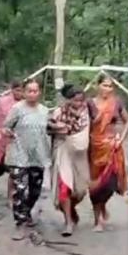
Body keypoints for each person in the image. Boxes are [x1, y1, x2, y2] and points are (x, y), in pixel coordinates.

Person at [3, 79, 51, 239]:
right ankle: (20, 222)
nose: (32, 94)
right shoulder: (17, 109)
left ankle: (27, 211)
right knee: (20, 190)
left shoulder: (44, 111)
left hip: (38, 155)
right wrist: (7, 132)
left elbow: (48, 129)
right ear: (24, 93)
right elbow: (6, 126)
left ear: (40, 93)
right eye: (29, 91)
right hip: (19, 154)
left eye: (35, 91)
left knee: (35, 190)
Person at [47, 83, 90, 237]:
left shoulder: (85, 114)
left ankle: (71, 210)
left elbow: (80, 134)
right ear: (69, 99)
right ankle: (68, 222)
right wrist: (58, 128)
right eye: (75, 100)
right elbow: (49, 128)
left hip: (79, 155)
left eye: (81, 101)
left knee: (80, 190)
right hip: (62, 152)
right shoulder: (59, 111)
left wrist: (61, 128)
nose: (78, 104)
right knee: (64, 187)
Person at [88, 75, 128, 232]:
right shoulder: (90, 104)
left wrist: (121, 139)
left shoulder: (116, 103)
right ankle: (97, 221)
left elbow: (127, 121)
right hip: (94, 148)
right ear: (98, 85)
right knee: (94, 185)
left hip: (112, 148)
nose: (108, 89)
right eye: (105, 85)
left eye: (110, 86)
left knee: (110, 184)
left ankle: (103, 205)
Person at [0, 80, 23, 198]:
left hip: (19, 141)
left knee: (17, 169)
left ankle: (12, 194)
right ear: (12, 90)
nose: (20, 93)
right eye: (18, 90)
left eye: (22, 90)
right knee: (1, 166)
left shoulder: (26, 103)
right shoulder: (2, 102)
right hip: (3, 140)